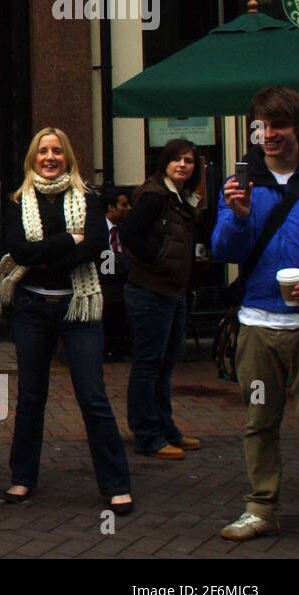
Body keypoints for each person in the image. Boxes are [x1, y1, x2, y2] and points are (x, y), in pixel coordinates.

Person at [0, 128, 133, 514]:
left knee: (93, 397)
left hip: (79, 308)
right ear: (32, 159)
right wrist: (67, 243)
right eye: (43, 152)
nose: (50, 157)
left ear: (68, 157)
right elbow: (20, 251)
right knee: (31, 398)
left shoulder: (87, 198)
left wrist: (48, 255)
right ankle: (22, 478)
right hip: (32, 310)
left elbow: (94, 246)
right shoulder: (18, 200)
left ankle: (116, 484)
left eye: (57, 151)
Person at [211, 87, 299, 542]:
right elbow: (223, 250)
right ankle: (261, 507)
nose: (269, 135)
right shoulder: (241, 182)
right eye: (262, 127)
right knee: (259, 421)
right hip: (256, 325)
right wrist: (239, 215)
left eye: (279, 126)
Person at [119, 140, 203, 460]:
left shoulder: (181, 198)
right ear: (164, 162)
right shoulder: (155, 196)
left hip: (173, 291)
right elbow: (130, 235)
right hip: (150, 291)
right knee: (148, 365)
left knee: (165, 365)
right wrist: (159, 259)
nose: (183, 165)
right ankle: (147, 434)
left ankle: (165, 427)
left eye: (189, 161)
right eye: (176, 159)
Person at [98, 187, 132, 362]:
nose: (128, 208)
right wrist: (121, 262)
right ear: (111, 207)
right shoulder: (99, 229)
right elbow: (106, 266)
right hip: (105, 284)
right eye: (124, 205)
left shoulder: (125, 229)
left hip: (123, 284)